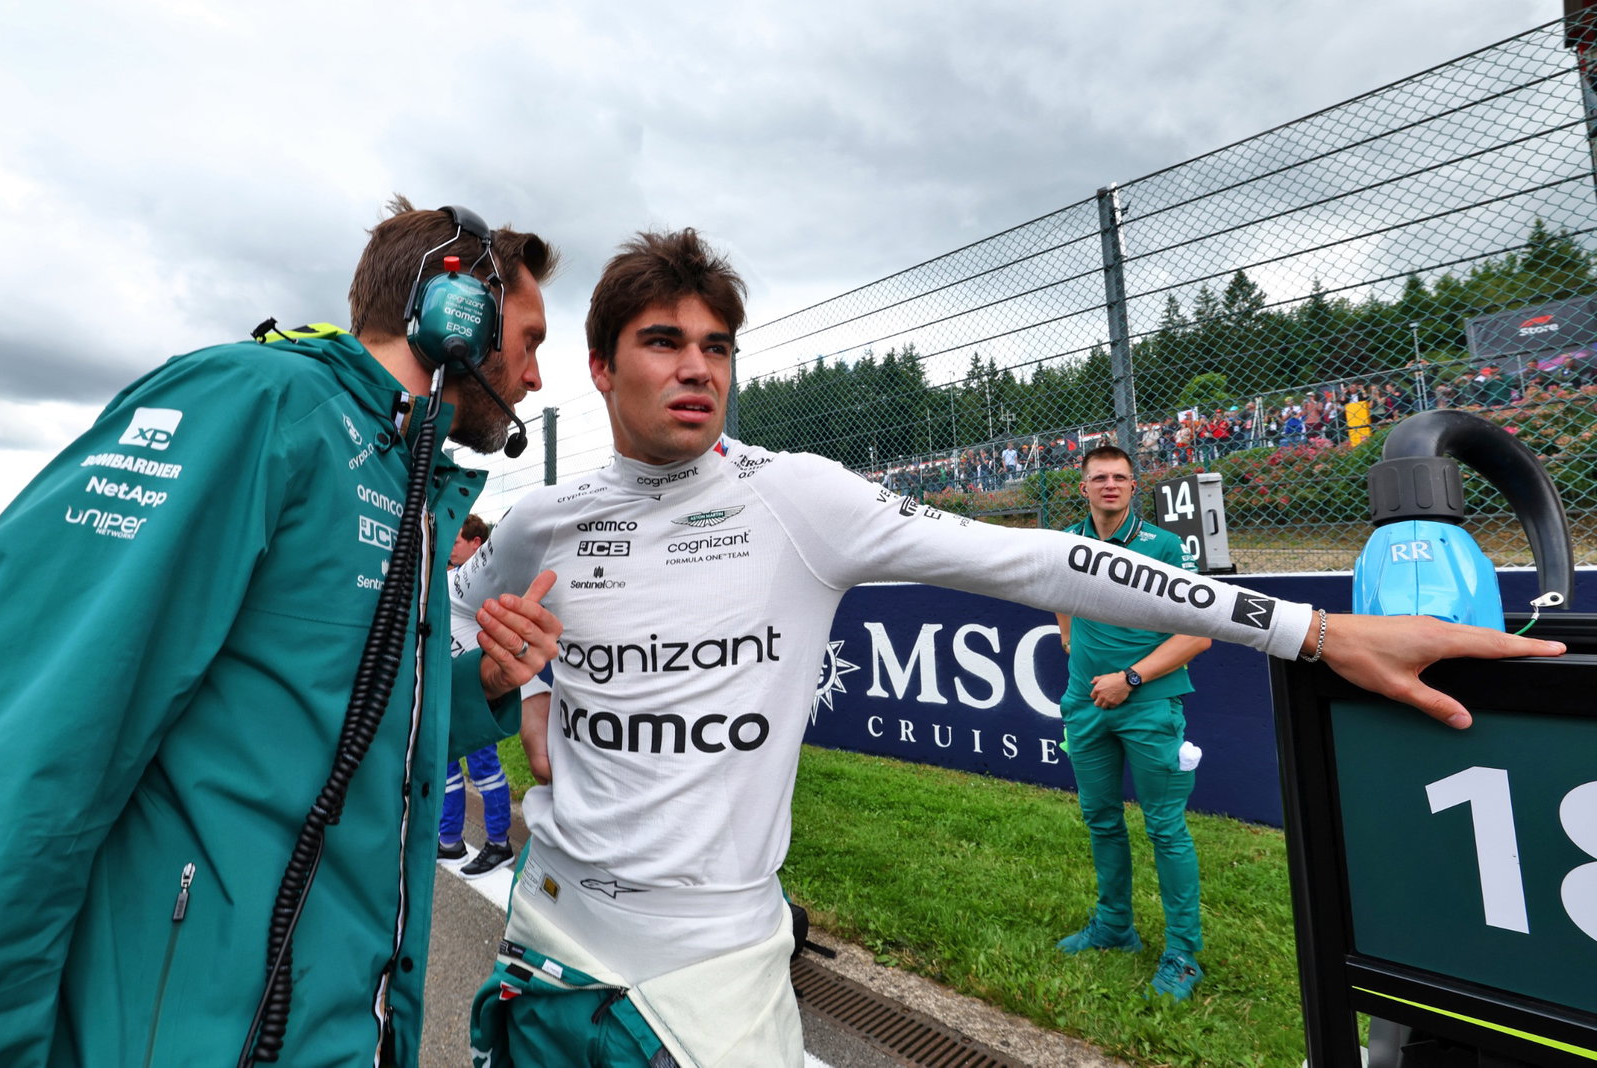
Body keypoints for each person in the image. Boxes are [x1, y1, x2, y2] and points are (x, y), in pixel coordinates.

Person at [452, 228, 1561, 1067]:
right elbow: (442, 633)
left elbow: (1047, 564)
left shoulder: (793, 497)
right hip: (547, 935)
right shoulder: (542, 522)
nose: (697, 368)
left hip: (708, 965)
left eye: (716, 347)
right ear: (600, 368)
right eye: (662, 344)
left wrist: (1311, 631)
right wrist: (515, 686)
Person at [0, 198, 563, 1067]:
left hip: (332, 1021)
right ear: (456, 316)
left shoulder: (401, 470)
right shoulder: (259, 404)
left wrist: (476, 687)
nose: (532, 377)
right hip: (187, 1029)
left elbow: (340, 717)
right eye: (528, 340)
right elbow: (42, 745)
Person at [1053, 445, 1211, 1000]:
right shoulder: (1069, 541)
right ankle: (1115, 927)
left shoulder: (1164, 546)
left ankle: (1183, 954)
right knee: (1100, 819)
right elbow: (1058, 593)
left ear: (1133, 485)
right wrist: (1070, 640)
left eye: (1120, 477)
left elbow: (1199, 633)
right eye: (1100, 477)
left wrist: (1132, 677)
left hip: (1147, 703)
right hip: (1085, 704)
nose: (1110, 486)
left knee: (1165, 827)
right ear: (1084, 486)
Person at [440, 514, 519, 878]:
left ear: (477, 543)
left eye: (459, 539)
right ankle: (448, 838)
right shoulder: (445, 575)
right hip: (445, 687)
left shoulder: (489, 581)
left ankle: (500, 843)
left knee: (485, 770)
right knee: (445, 767)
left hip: (476, 692)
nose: (452, 545)